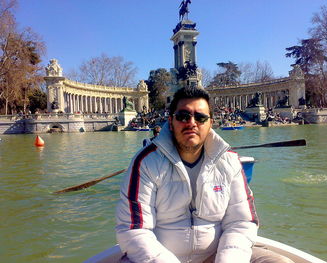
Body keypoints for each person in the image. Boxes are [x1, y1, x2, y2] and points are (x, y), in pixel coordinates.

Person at [116, 87, 293, 263]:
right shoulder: (145, 162)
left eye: (200, 118)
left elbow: (241, 222)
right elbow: (134, 230)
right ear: (170, 121)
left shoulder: (230, 161)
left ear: (211, 123)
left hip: (217, 254)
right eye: (183, 116)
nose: (191, 123)